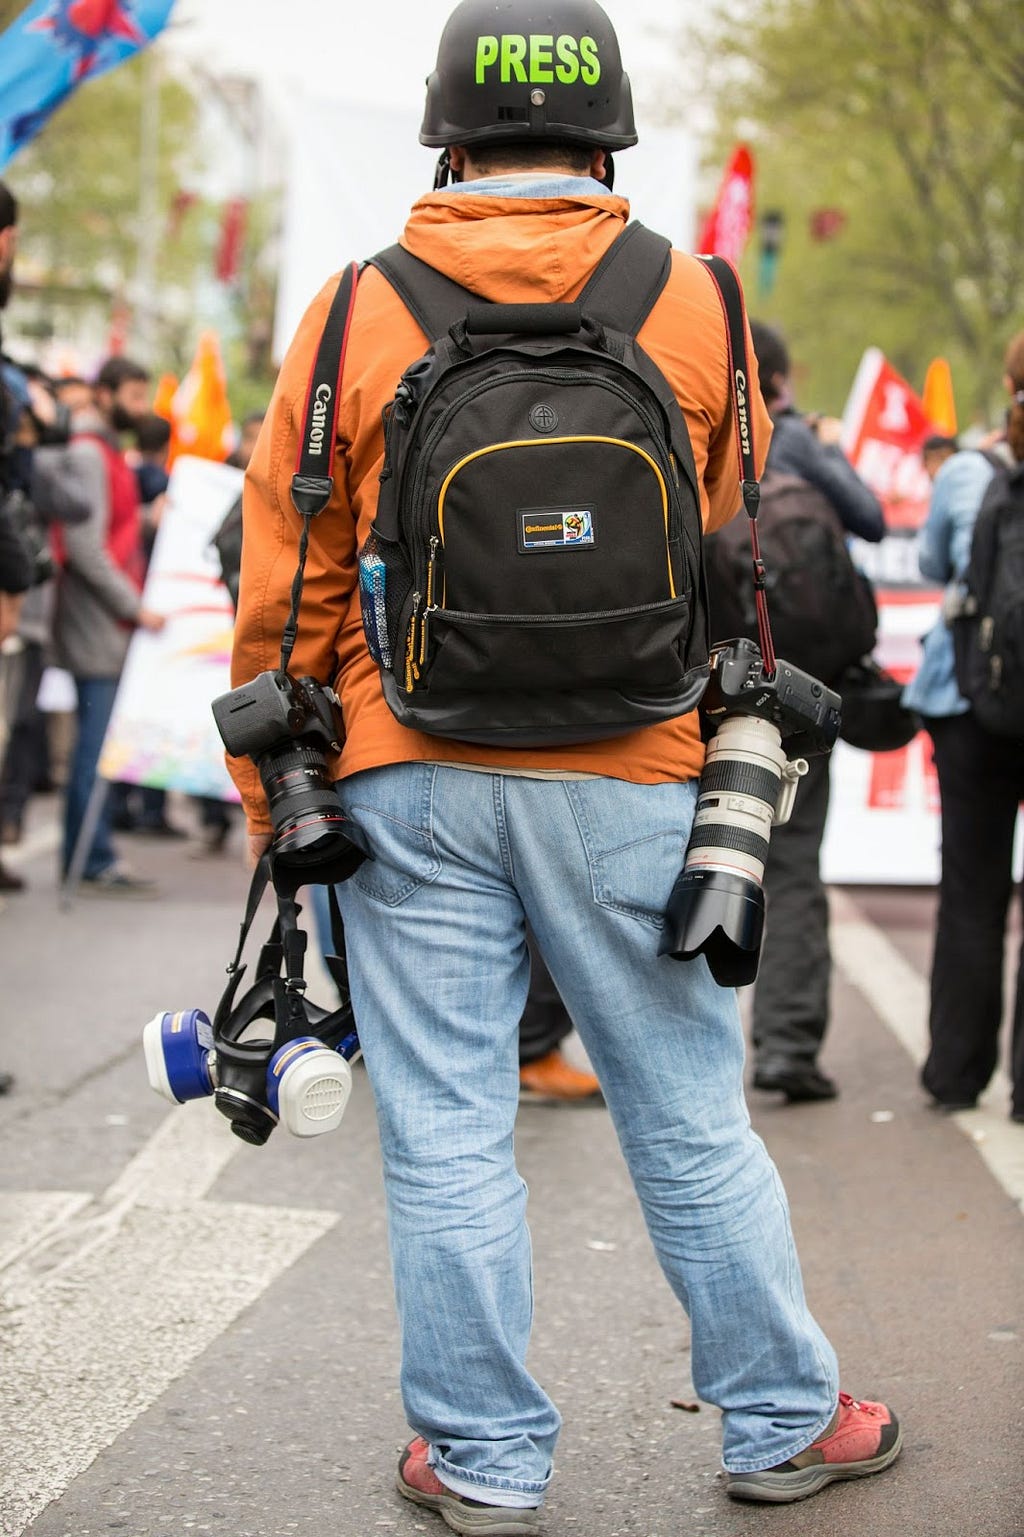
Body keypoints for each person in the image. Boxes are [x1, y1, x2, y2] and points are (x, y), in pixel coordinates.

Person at [229, 3, 901, 1526]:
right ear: (608, 141)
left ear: (448, 138)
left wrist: (277, 789)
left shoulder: (352, 311)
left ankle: (478, 1455)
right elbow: (724, 527)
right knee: (684, 1112)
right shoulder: (699, 301)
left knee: (450, 1126)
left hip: (408, 768)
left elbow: (295, 584)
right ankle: (787, 1420)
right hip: (640, 766)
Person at [742, 320, 886, 1103]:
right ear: (782, 381)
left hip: (697, 683)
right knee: (792, 865)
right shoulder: (797, 444)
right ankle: (786, 1045)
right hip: (800, 689)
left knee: (664, 854)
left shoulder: (687, 431)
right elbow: (872, 518)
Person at [903, 332, 1024, 1120]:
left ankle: (956, 1072)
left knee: (971, 892)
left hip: (970, 700)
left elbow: (932, 566)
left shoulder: (973, 472)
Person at [55, 357, 166, 894]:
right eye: (134, 395)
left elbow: (110, 532)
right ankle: (90, 857)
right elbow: (84, 546)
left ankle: (93, 852)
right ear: (103, 394)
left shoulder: (104, 453)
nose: (140, 409)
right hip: (98, 622)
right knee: (94, 743)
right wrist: (134, 605)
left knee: (100, 742)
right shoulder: (87, 453)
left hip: (110, 620)